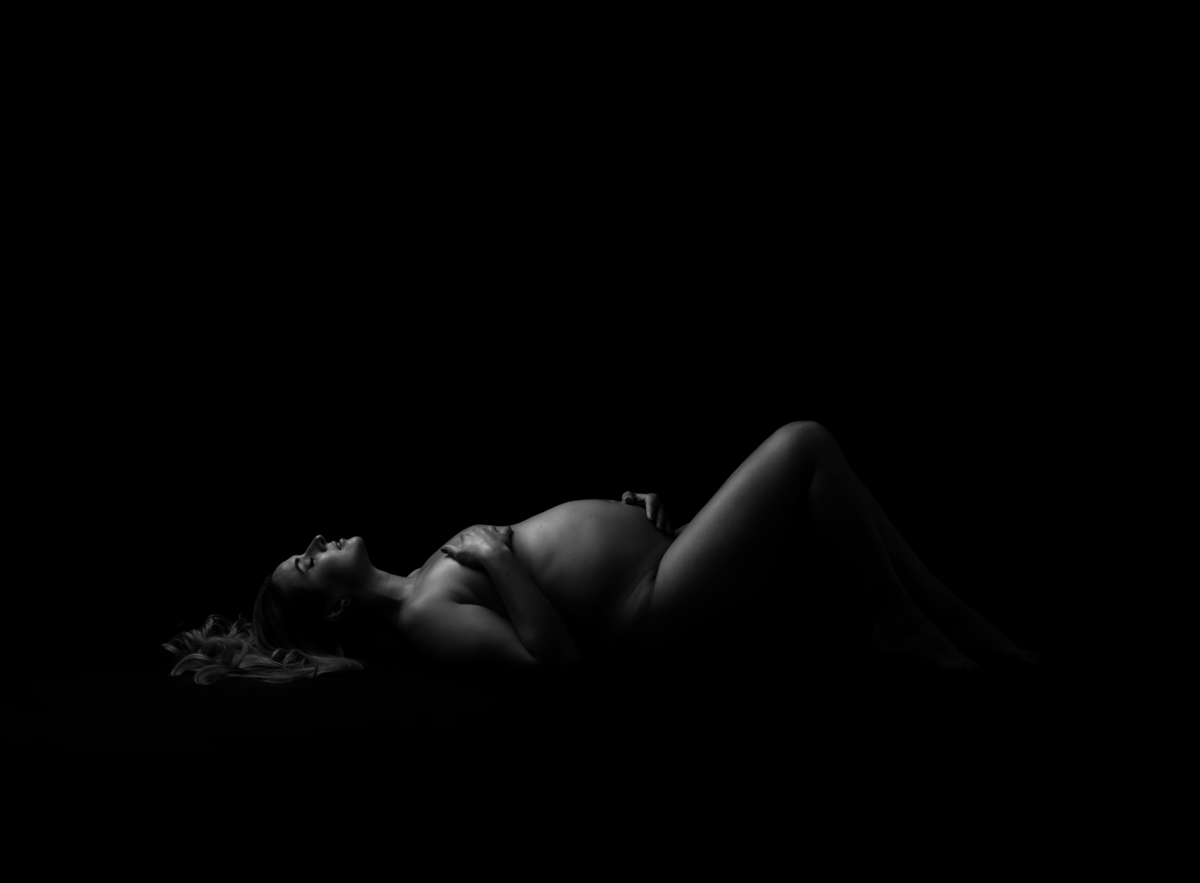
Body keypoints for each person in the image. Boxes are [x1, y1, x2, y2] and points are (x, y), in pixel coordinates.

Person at [163, 421, 1039, 684]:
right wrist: (500, 560)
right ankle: (906, 617)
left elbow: (559, 563)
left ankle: (937, 612)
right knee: (803, 444)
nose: (317, 543)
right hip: (648, 606)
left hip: (658, 557)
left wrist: (640, 523)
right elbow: (555, 667)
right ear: (336, 604)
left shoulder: (430, 574)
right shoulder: (426, 617)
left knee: (823, 472)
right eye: (307, 562)